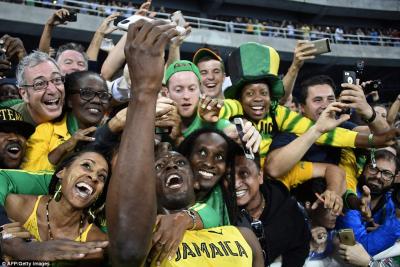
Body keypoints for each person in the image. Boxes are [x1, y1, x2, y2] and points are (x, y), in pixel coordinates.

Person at [148, 144, 264, 266]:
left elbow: (209, 213)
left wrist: (184, 218)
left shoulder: (245, 235)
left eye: (181, 163)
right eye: (159, 166)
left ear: (196, 182)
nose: (172, 166)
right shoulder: (146, 237)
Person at [233, 146, 310, 266]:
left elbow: (300, 245)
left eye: (244, 174)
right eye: (229, 176)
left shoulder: (287, 210)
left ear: (260, 176)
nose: (235, 183)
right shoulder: (220, 212)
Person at [21, 71, 111, 171]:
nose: (97, 100)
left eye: (103, 95)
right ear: (69, 101)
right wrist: (64, 148)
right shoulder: (46, 131)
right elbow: (29, 173)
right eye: (87, 93)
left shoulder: (112, 135)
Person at [336, 149, 400, 256]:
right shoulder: (349, 197)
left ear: (395, 178)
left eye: (387, 173)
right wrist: (397, 220)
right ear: (363, 168)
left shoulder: (390, 199)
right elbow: (359, 250)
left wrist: (384, 230)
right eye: (373, 168)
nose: (378, 176)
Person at [5, 51, 65, 126]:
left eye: (57, 80)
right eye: (40, 84)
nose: (53, 90)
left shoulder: (73, 108)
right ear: (24, 94)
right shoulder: (8, 123)